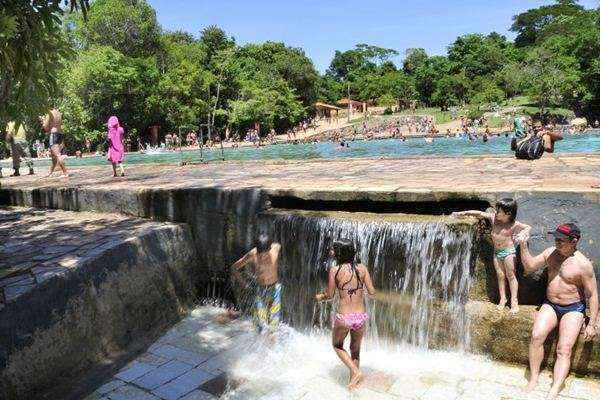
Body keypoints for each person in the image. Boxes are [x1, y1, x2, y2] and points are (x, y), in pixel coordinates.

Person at [517, 223, 598, 399]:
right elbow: (530, 267)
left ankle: (554, 389)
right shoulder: (550, 253)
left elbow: (592, 295)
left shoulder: (583, 265)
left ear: (574, 241)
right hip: (550, 304)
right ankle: (533, 379)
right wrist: (523, 246)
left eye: (561, 240)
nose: (557, 243)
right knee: (536, 336)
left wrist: (592, 324)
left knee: (564, 349)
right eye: (556, 239)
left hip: (573, 308)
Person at [315, 239, 376, 390]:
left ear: (339, 253)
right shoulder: (362, 268)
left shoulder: (334, 270)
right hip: (360, 317)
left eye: (333, 250)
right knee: (355, 351)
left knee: (337, 345)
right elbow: (372, 292)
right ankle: (353, 385)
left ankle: (355, 372)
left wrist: (320, 297)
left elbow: (329, 295)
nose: (331, 252)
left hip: (344, 317)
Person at [452, 199, 531, 313]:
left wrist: (525, 232)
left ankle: (514, 301)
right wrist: (464, 213)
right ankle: (503, 298)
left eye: (499, 211)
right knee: (500, 275)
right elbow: (479, 213)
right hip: (497, 253)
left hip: (509, 252)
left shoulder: (513, 224)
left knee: (511, 276)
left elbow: (527, 227)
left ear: (508, 214)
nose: (496, 212)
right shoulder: (493, 219)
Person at [231, 234, 282, 333]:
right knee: (259, 323)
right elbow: (234, 268)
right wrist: (243, 283)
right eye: (260, 255)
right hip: (260, 291)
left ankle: (271, 345)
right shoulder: (252, 254)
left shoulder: (276, 248)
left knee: (274, 324)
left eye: (265, 254)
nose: (262, 257)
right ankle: (256, 343)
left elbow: (278, 244)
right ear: (256, 250)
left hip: (275, 290)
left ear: (270, 249)